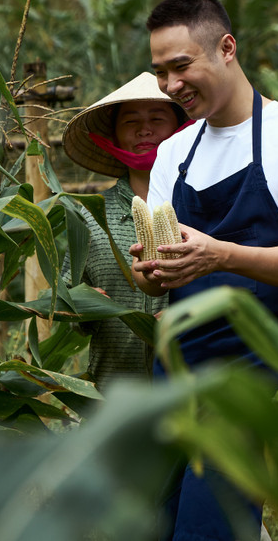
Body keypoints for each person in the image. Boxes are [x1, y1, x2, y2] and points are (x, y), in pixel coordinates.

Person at [130, 0, 278, 541]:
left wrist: (221, 254)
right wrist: (150, 272)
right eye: (160, 72)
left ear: (227, 48)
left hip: (252, 373)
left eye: (182, 66)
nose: (171, 85)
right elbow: (153, 275)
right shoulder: (174, 153)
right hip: (176, 370)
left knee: (208, 530)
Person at [61, 72, 189, 391]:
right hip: (113, 396)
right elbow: (63, 298)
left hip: (191, 399)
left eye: (157, 118)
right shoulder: (89, 216)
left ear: (180, 128)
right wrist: (80, 304)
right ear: (114, 137)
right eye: (131, 121)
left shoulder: (204, 207)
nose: (144, 129)